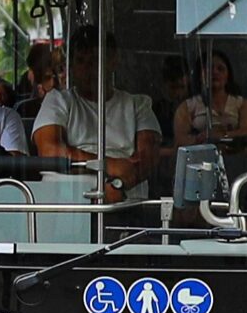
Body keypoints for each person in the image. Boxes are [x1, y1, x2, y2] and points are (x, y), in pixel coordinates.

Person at [33, 37, 160, 203]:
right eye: (81, 61)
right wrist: (107, 165)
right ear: (72, 65)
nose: (88, 68)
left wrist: (119, 186)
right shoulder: (57, 101)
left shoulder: (138, 104)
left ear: (112, 61)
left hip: (124, 201)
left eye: (95, 60)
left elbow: (147, 158)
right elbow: (50, 151)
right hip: (65, 202)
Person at [174, 49, 247, 147]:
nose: (214, 72)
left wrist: (221, 136)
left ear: (228, 75)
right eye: (209, 68)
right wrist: (199, 139)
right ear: (200, 75)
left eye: (220, 69)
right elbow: (180, 138)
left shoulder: (242, 104)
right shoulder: (187, 106)